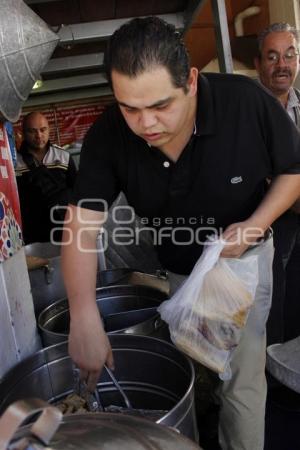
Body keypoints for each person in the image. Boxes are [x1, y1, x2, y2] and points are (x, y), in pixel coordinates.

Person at [61, 17, 300, 450]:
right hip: (177, 271)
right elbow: (82, 220)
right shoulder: (110, 133)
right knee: (195, 369)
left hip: (240, 267)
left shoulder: (244, 103)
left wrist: (255, 223)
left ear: (190, 80)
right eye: (129, 108)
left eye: (160, 105)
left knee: (240, 380)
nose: (145, 124)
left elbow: (294, 171)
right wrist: (83, 315)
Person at [254, 22, 300, 344]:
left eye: (289, 55)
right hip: (270, 230)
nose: (282, 65)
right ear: (258, 64)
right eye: (272, 57)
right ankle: (275, 383)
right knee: (274, 307)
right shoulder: (246, 115)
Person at [15, 112, 77, 244]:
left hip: (63, 231)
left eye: (43, 130)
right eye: (32, 131)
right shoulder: (14, 162)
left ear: (49, 130)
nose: (39, 136)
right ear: (23, 133)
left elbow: (78, 193)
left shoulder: (63, 157)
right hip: (31, 235)